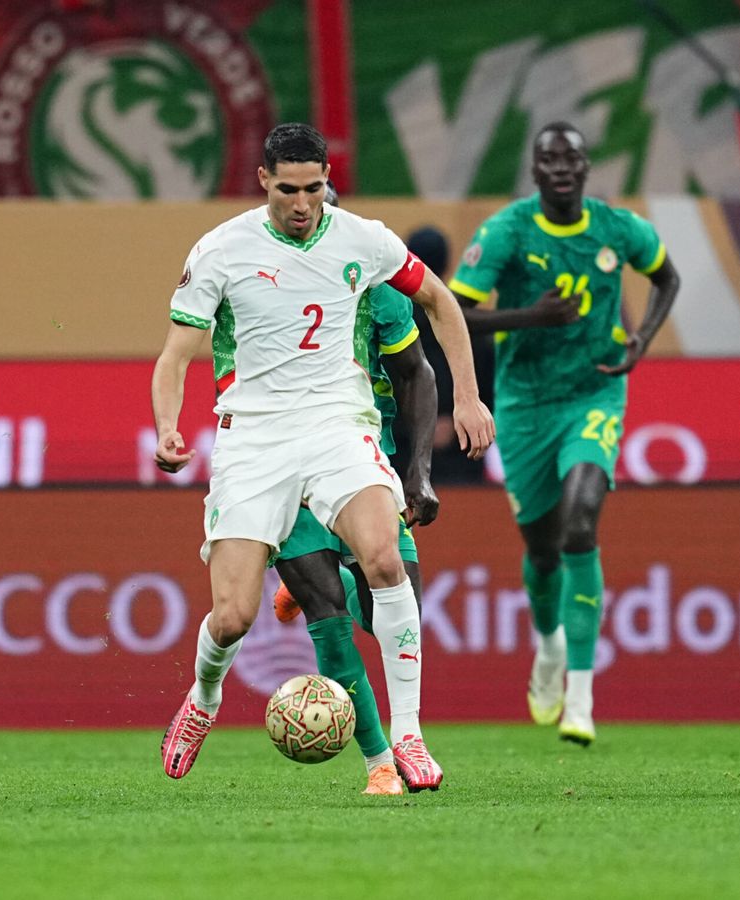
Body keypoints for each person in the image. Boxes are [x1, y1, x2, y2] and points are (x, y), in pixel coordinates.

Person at [151, 122, 494, 784]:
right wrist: (169, 425)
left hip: (339, 424)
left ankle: (409, 739)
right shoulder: (222, 250)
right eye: (289, 190)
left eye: (315, 188)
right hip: (254, 437)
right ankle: (204, 698)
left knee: (386, 561)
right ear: (264, 182)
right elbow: (174, 355)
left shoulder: (363, 239)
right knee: (232, 616)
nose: (304, 203)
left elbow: (441, 304)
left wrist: (470, 399)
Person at [449, 122, 680, 746]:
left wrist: (641, 339)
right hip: (525, 406)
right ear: (534, 171)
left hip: (594, 392)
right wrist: (532, 316)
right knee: (544, 550)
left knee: (582, 521)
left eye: (569, 158)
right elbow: (452, 311)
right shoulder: (508, 231)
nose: (558, 169)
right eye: (547, 159)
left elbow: (667, 277)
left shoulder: (616, 229)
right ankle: (548, 646)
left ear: (585, 168)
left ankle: (581, 698)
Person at [264, 182, 443, 794]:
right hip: (291, 459)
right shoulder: (266, 292)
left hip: (369, 459)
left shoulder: (378, 291)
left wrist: (417, 472)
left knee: (392, 606)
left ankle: (333, 579)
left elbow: (417, 375)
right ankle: (382, 765)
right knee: (330, 618)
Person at [401, 226, 494, 485]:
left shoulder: (392, 317)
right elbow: (489, 386)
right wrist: (450, 420)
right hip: (464, 450)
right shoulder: (466, 323)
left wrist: (417, 425)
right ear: (450, 263)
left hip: (402, 454)